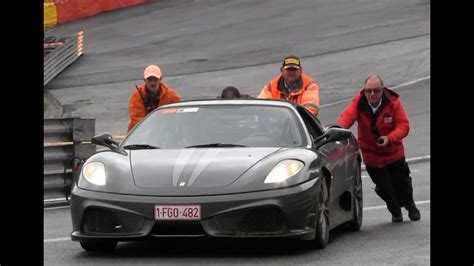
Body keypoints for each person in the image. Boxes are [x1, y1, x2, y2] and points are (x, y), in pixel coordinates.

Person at [336, 75, 420, 222]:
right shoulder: (359, 102)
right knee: (384, 186)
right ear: (364, 91)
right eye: (369, 91)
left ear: (382, 90)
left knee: (403, 181)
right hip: (371, 155)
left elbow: (403, 126)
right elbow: (346, 119)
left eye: (376, 90)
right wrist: (335, 131)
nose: (372, 94)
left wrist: (389, 138)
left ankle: (410, 205)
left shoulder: (393, 102)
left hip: (394, 152)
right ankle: (395, 211)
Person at [128, 64, 181, 132]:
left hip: (166, 130)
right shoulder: (136, 96)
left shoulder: (172, 97)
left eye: (155, 79)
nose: (153, 83)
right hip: (142, 131)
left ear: (160, 79)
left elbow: (178, 117)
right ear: (144, 80)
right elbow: (137, 120)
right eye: (149, 79)